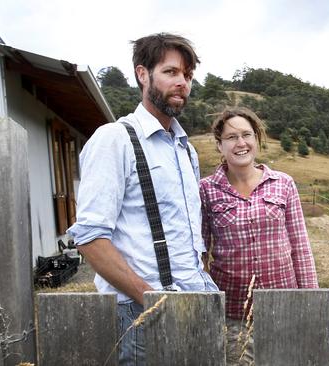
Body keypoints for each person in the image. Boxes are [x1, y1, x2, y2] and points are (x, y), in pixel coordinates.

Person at [68, 33, 217, 366]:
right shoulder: (114, 139)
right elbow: (90, 237)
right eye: (171, 72)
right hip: (141, 312)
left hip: (197, 301)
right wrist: (150, 298)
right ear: (142, 74)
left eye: (188, 76)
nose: (182, 82)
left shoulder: (186, 150)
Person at [199, 107, 319, 364]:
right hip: (233, 316)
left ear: (257, 139)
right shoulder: (205, 190)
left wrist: (311, 302)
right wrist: (209, 303)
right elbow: (199, 253)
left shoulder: (283, 183)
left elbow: (300, 247)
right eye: (231, 137)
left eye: (247, 135)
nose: (240, 143)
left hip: (285, 308)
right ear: (220, 145)